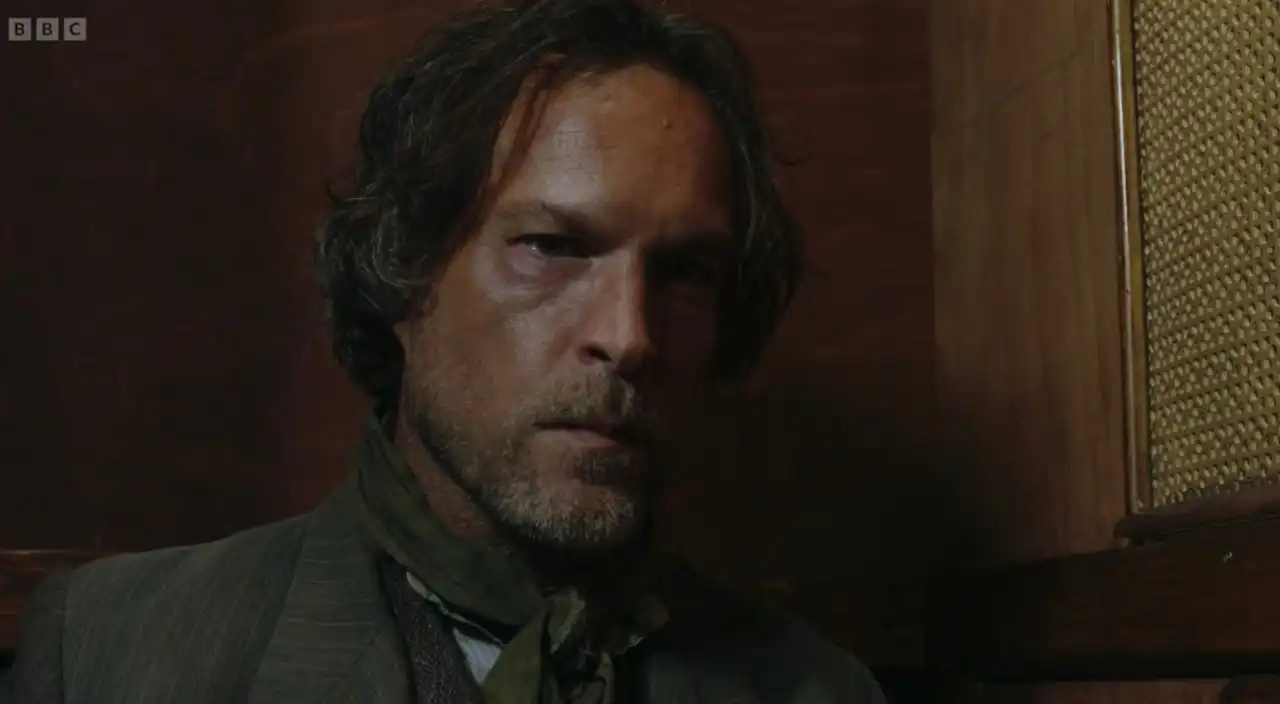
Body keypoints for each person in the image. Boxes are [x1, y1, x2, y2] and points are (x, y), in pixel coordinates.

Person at [1, 0, 887, 701]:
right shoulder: (118, 651)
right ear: (406, 273)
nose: (628, 336)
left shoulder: (815, 691)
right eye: (553, 247)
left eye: (686, 271)